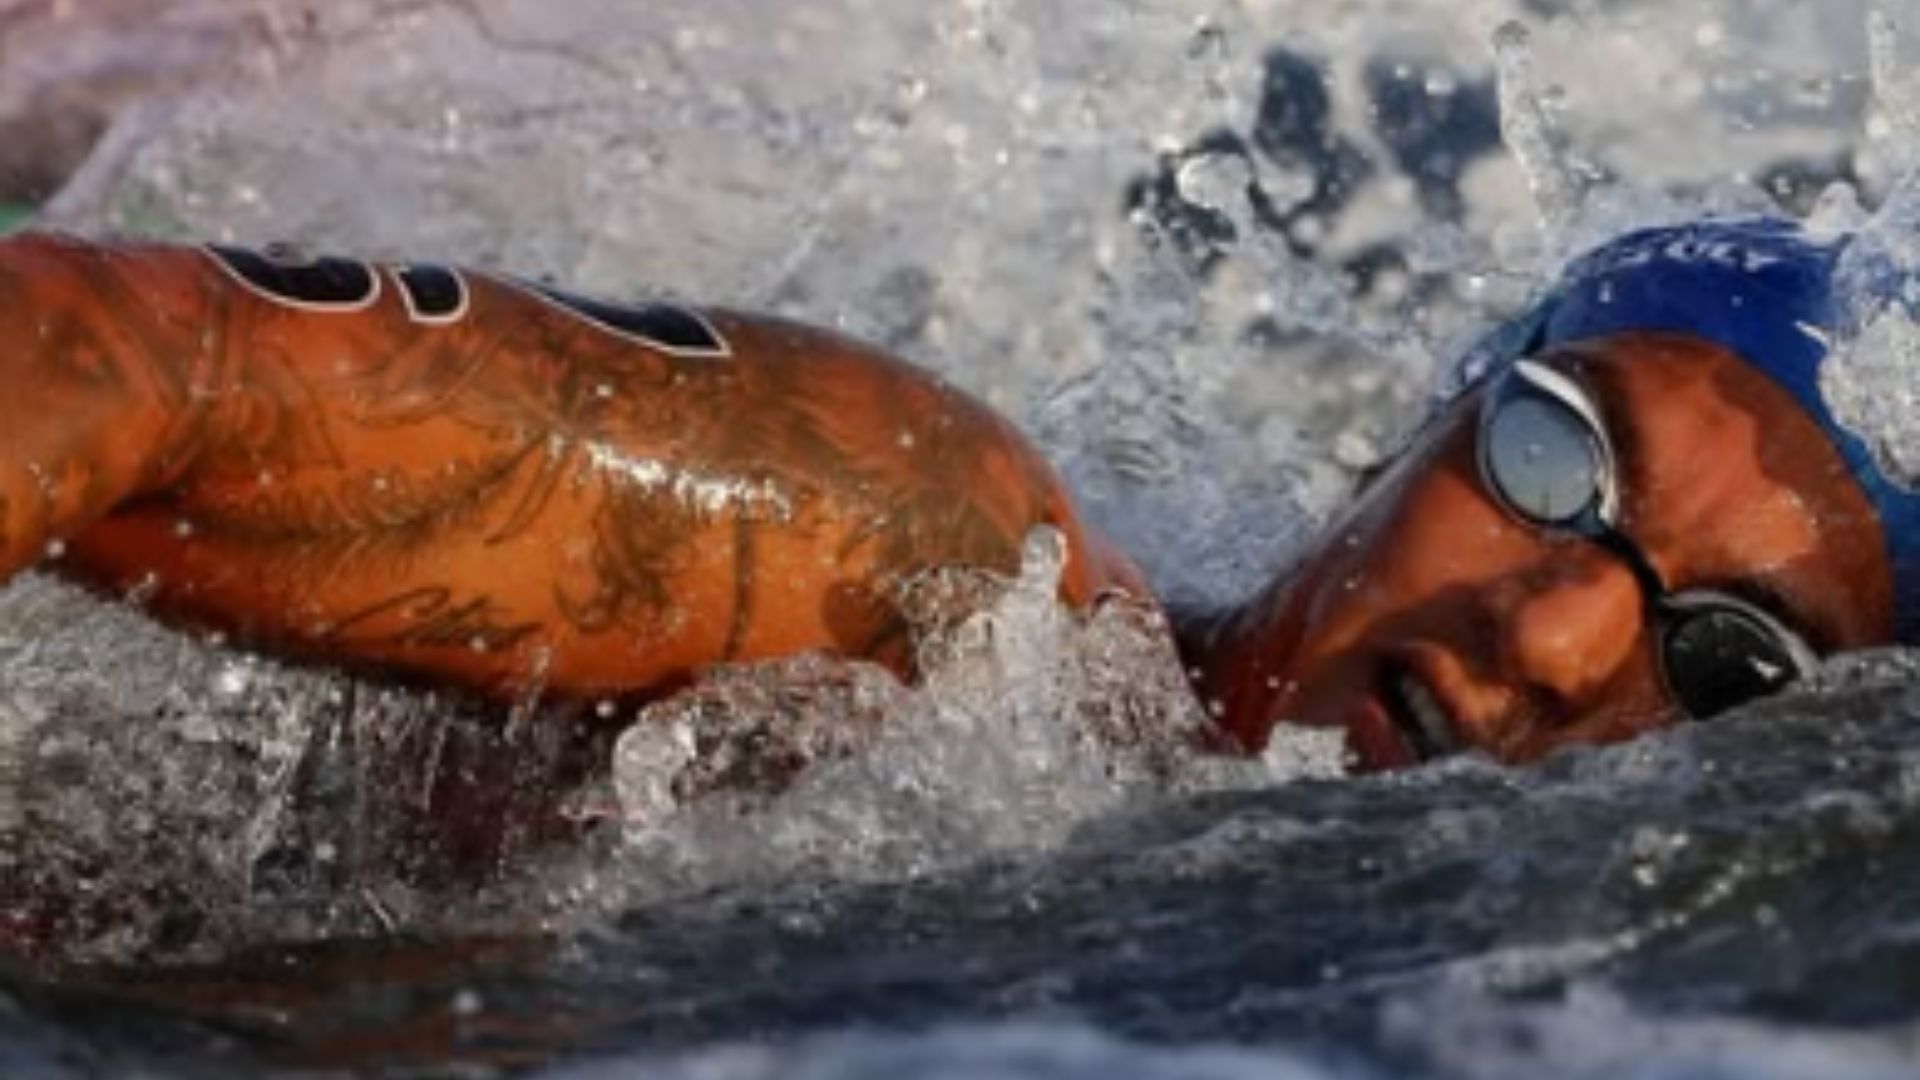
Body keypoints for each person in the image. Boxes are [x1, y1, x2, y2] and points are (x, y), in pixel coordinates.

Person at [0, 218, 1905, 789]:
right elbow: (128, 343)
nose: (1562, 636)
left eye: (1729, 660)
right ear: (1421, 418)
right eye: (1560, 460)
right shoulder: (935, 581)